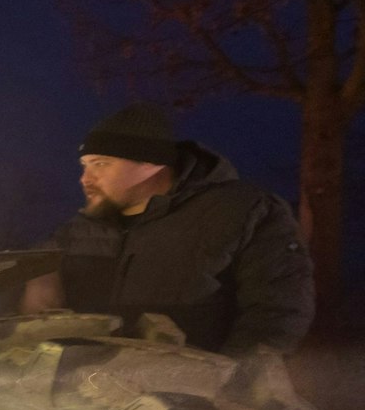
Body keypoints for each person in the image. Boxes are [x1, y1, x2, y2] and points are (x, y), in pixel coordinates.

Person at [21, 103, 314, 357]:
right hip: (84, 400)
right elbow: (21, 275)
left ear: (149, 163)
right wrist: (37, 276)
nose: (86, 178)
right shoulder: (81, 229)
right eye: (84, 166)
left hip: (192, 404)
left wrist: (236, 380)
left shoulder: (243, 212)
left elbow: (278, 311)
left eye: (101, 164)